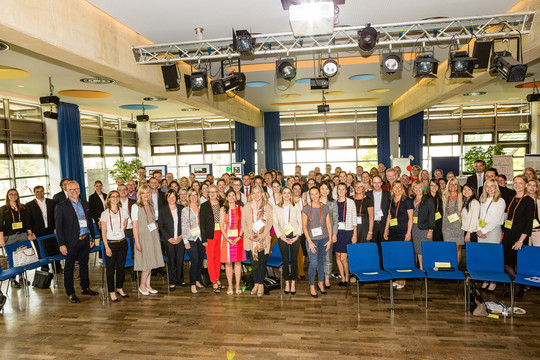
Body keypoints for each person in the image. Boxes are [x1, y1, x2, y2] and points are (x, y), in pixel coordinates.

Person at [55, 181, 98, 303]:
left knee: (84, 264)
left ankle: (85, 287)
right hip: (70, 242)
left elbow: (89, 222)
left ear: (79, 189)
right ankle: (70, 292)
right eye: (71, 190)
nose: (74, 191)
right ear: (67, 191)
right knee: (69, 267)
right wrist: (61, 244)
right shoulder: (61, 206)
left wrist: (92, 238)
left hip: (85, 240)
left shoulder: (85, 204)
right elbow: (59, 228)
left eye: (76, 189)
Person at [502, 175, 534, 298]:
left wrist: (521, 240)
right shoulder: (511, 198)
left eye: (520, 183)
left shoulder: (528, 200)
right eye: (515, 182)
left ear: (525, 185)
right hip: (508, 234)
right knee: (506, 262)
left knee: (514, 262)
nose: (517, 185)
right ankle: (518, 286)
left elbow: (528, 222)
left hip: (519, 236)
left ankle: (517, 287)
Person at [132, 184, 165, 296]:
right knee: (147, 262)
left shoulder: (151, 205)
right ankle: (142, 285)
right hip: (143, 237)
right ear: (139, 194)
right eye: (143, 193)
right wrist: (137, 242)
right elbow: (135, 226)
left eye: (148, 193)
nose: (146, 195)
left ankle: (148, 285)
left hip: (153, 235)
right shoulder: (135, 206)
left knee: (152, 261)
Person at [241, 185, 273, 297]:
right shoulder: (247, 206)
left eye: (258, 192)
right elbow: (243, 223)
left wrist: (262, 235)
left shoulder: (268, 206)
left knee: (262, 263)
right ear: (251, 194)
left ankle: (261, 284)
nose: (256, 195)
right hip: (251, 239)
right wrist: (249, 235)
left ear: (262, 193)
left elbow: (269, 223)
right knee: (254, 263)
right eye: (254, 193)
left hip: (263, 239)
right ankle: (256, 283)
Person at [302, 187, 332, 298]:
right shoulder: (306, 208)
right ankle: (311, 285)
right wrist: (309, 241)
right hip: (312, 240)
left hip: (324, 239)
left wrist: (329, 240)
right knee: (313, 263)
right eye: (312, 194)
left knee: (321, 263)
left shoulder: (325, 208)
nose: (315, 196)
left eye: (316, 194)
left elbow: (328, 225)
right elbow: (304, 227)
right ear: (310, 195)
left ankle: (320, 282)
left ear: (319, 194)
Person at [477, 179, 506, 291]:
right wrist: (479, 230)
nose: (489, 188)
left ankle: (493, 281)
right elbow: (480, 216)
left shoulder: (500, 201)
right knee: (484, 258)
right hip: (482, 230)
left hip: (493, 230)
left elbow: (496, 219)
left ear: (496, 187)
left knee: (492, 257)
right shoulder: (483, 199)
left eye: (492, 186)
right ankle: (485, 280)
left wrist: (484, 231)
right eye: (487, 186)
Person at [0, 189, 33, 287]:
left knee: (23, 257)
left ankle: (22, 277)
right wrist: (1, 240)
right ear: (8, 196)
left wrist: (30, 234)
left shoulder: (23, 208)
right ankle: (13, 279)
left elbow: (28, 222)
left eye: (15, 194)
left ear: (18, 196)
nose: (13, 196)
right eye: (11, 194)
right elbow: (0, 226)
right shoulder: (3, 209)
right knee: (12, 258)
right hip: (10, 237)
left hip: (22, 235)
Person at [100, 190, 129, 301]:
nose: (115, 198)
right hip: (110, 244)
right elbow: (103, 232)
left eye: (117, 196)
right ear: (109, 199)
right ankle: (111, 291)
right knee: (110, 269)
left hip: (122, 243)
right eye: (113, 197)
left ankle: (120, 288)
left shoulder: (124, 211)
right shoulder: (104, 213)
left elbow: (124, 225)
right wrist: (106, 247)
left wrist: (119, 231)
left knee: (121, 268)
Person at [384, 181, 413, 289]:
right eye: (395, 187)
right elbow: (389, 216)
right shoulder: (391, 200)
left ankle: (402, 279)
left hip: (403, 231)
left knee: (402, 255)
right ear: (392, 189)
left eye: (399, 187)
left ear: (402, 188)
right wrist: (386, 229)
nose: (397, 189)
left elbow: (411, 218)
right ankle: (397, 277)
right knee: (395, 255)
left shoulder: (407, 201)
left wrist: (408, 233)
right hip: (393, 231)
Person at [273, 186, 302, 295]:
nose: (286, 195)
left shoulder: (296, 206)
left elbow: (300, 222)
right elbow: (275, 223)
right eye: (284, 193)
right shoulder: (276, 207)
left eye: (288, 193)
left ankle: (293, 282)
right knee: (285, 260)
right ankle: (287, 283)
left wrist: (297, 236)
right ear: (281, 194)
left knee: (294, 260)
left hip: (295, 234)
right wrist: (281, 236)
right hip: (282, 235)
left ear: (291, 194)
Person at [26, 185, 59, 272]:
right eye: (37, 192)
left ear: (44, 191)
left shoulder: (51, 202)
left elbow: (56, 217)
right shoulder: (29, 205)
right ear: (34, 193)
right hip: (37, 231)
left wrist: (56, 228)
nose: (40, 193)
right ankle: (44, 266)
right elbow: (28, 220)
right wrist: (30, 233)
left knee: (54, 248)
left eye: (41, 191)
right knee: (40, 249)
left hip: (51, 229)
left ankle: (57, 267)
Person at [158, 189, 185, 292]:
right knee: (171, 261)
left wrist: (181, 236)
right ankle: (172, 282)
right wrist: (169, 238)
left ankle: (180, 280)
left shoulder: (182, 208)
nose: (171, 198)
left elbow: (185, 224)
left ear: (176, 197)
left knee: (180, 260)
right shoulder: (163, 209)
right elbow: (161, 225)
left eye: (173, 196)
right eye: (169, 196)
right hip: (168, 240)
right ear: (167, 198)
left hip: (180, 239)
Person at [219, 189, 245, 295]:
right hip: (227, 239)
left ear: (236, 196)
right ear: (226, 197)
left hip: (238, 239)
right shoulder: (223, 209)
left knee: (238, 262)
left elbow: (243, 224)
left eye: (233, 195)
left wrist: (239, 237)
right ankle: (230, 286)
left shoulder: (241, 208)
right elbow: (221, 225)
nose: (232, 197)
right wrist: (227, 238)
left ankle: (238, 285)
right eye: (229, 196)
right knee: (228, 263)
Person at [200, 185, 224, 293]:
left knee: (218, 258)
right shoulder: (204, 206)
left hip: (221, 234)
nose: (213, 194)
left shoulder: (223, 204)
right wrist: (204, 239)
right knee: (210, 258)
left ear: (218, 192)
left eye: (215, 192)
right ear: (207, 194)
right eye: (210, 192)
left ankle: (217, 278)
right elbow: (202, 224)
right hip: (210, 235)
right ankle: (213, 280)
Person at [181, 189, 205, 295]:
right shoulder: (185, 210)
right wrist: (185, 241)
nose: (193, 197)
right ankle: (192, 284)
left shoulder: (202, 208)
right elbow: (184, 226)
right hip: (191, 239)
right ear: (188, 197)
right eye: (191, 195)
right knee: (194, 261)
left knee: (200, 261)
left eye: (195, 195)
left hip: (201, 238)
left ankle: (197, 280)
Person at [334, 183, 357, 286]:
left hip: (348, 231)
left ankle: (347, 277)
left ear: (346, 191)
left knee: (344, 257)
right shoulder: (334, 203)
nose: (341, 191)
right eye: (339, 189)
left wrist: (355, 234)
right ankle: (342, 277)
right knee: (338, 256)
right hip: (337, 232)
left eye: (343, 189)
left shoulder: (351, 202)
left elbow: (354, 220)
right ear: (337, 191)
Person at [410, 181, 435, 270]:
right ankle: (421, 267)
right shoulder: (412, 200)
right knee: (418, 249)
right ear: (413, 189)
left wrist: (430, 230)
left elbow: (432, 215)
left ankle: (428, 268)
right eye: (415, 187)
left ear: (423, 189)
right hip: (414, 228)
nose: (417, 189)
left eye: (419, 187)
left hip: (425, 229)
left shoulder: (428, 199)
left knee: (426, 249)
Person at [366, 175, 390, 261]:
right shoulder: (367, 195)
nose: (377, 184)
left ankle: (383, 268)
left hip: (383, 224)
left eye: (378, 182)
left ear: (382, 183)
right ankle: (374, 266)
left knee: (384, 248)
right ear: (371, 183)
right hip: (372, 225)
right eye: (375, 182)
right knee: (373, 248)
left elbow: (389, 211)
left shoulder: (388, 194)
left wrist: (387, 227)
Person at [320, 182, 338, 289]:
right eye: (322, 188)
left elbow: (336, 220)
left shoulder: (333, 203)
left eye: (327, 189)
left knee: (328, 258)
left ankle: (327, 278)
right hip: (317, 235)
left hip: (329, 234)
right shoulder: (314, 202)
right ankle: (321, 278)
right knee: (318, 258)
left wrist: (334, 234)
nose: (324, 191)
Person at [442, 178, 464, 266]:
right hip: (447, 225)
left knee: (458, 247)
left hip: (458, 224)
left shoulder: (461, 196)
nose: (453, 186)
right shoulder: (444, 196)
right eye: (451, 184)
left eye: (455, 184)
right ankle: (449, 266)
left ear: (458, 186)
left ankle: (456, 267)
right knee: (448, 247)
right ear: (448, 186)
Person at [526, 179, 540, 247]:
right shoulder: (522, 200)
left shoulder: (539, 200)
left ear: (537, 188)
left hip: (538, 231)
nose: (532, 188)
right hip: (525, 232)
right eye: (529, 185)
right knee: (526, 253)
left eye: (534, 186)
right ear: (526, 186)